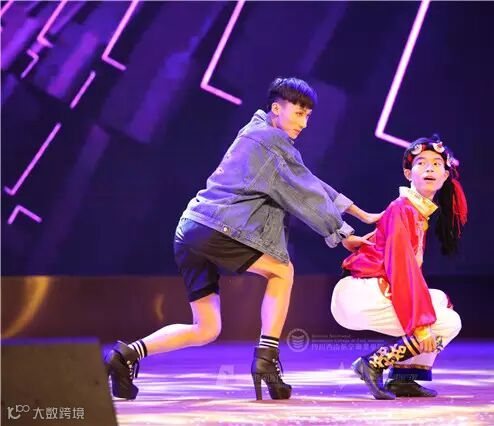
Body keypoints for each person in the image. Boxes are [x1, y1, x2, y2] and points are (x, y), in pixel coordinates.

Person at [105, 77, 379, 401]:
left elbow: (307, 181)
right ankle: (266, 359)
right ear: (276, 108)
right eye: (298, 113)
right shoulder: (272, 142)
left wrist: (359, 214)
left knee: (206, 328)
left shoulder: (256, 133)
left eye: (308, 116)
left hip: (190, 229)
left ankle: (125, 355)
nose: (304, 123)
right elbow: (305, 194)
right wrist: (343, 233)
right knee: (282, 271)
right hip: (216, 227)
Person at [330, 135, 467, 399]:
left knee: (439, 300)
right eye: (421, 163)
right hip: (360, 294)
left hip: (369, 290)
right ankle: (374, 363)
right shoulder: (402, 208)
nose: (429, 168)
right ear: (408, 173)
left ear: (445, 175)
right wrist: (421, 326)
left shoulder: (417, 212)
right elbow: (402, 269)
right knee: (449, 322)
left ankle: (403, 378)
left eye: (437, 164)